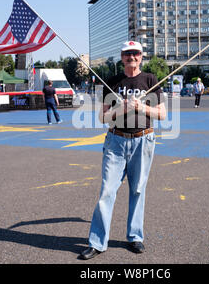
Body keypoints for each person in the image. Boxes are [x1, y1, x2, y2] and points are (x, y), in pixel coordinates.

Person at [79, 41, 167, 260]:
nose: (132, 57)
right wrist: (121, 108)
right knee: (107, 191)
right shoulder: (111, 82)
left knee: (138, 189)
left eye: (135, 53)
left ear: (141, 56)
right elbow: (103, 118)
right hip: (116, 142)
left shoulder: (150, 80)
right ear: (121, 57)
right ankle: (98, 242)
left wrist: (140, 107)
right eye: (127, 54)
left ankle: (135, 236)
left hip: (143, 140)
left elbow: (162, 114)